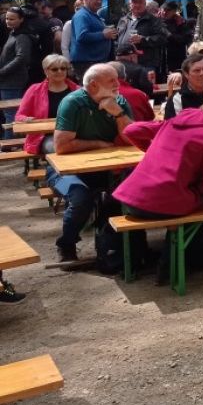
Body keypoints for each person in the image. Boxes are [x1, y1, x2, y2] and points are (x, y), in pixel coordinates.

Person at [48, 64, 134, 261]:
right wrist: (98, 144)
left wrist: (118, 114)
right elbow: (61, 146)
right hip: (64, 172)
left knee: (122, 196)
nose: (118, 84)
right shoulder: (72, 102)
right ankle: (66, 244)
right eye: (111, 81)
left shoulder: (120, 101)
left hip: (106, 168)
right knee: (81, 200)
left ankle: (111, 249)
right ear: (94, 85)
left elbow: (132, 139)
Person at [116, 95, 203, 219]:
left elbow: (130, 130)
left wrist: (150, 150)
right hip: (163, 202)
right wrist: (199, 190)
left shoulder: (169, 123)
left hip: (130, 197)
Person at [15, 54, 77, 158]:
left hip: (75, 134)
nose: (60, 71)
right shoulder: (34, 90)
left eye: (63, 68)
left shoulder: (77, 90)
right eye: (54, 69)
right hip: (46, 136)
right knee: (57, 149)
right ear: (46, 71)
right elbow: (19, 116)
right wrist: (27, 119)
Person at [114, 0, 167, 76]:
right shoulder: (123, 20)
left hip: (145, 64)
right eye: (134, 2)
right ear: (130, 4)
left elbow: (163, 38)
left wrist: (143, 39)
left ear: (145, 4)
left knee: (145, 84)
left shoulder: (153, 20)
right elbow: (118, 39)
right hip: (124, 63)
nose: (137, 5)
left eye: (140, 2)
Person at [70, 0, 117, 81]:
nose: (99, 2)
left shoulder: (92, 14)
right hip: (87, 63)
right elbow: (82, 36)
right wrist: (103, 35)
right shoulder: (82, 15)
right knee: (91, 88)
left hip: (94, 62)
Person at [0, 6, 35, 131]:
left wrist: (2, 72)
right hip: (7, 80)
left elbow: (22, 58)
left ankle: (10, 140)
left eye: (12, 19)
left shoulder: (22, 36)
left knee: (11, 114)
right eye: (7, 18)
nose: (8, 21)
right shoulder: (13, 33)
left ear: (21, 19)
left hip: (13, 80)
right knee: (9, 113)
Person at [165, 53, 203, 119]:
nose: (202, 73)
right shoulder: (177, 99)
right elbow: (172, 124)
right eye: (197, 70)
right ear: (186, 74)